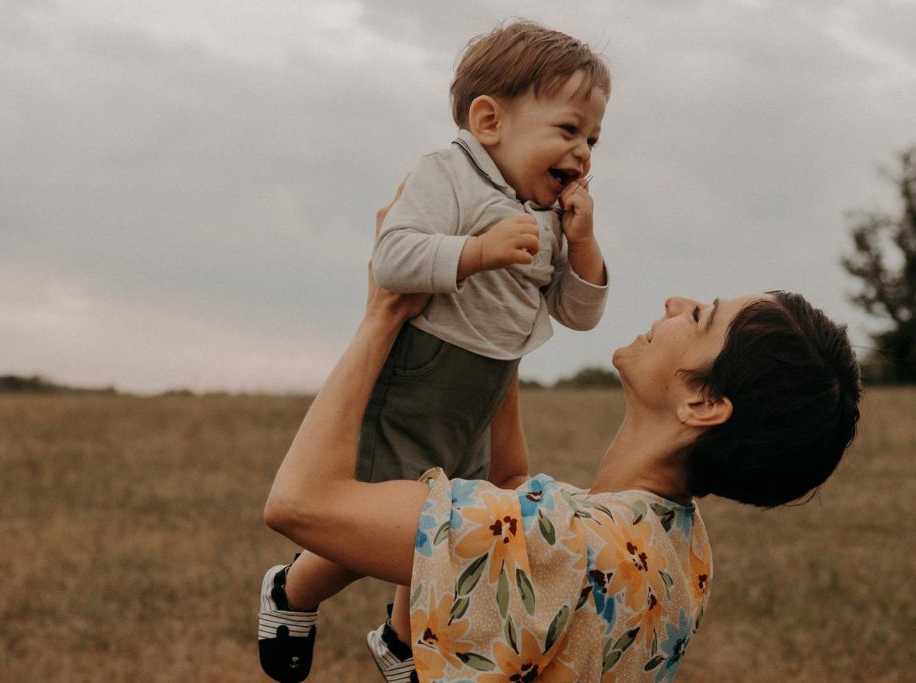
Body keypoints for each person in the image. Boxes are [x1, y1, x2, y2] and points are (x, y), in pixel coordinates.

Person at [261, 196, 862, 681]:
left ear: (702, 404)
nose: (676, 302)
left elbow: (301, 502)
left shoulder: (563, 543)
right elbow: (508, 488)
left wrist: (384, 310)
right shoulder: (684, 556)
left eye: (702, 316)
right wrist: (504, 316)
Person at [260, 21, 612, 682]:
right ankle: (292, 591)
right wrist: (475, 252)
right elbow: (392, 258)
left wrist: (584, 244)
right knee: (382, 527)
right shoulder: (447, 174)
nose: (585, 152)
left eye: (593, 138)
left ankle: (402, 640)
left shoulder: (548, 211)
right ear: (489, 120)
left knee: (447, 519)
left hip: (488, 384)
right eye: (569, 131)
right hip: (427, 371)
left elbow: (578, 313)